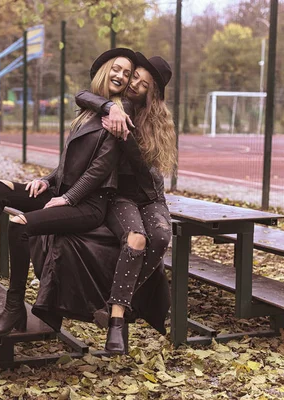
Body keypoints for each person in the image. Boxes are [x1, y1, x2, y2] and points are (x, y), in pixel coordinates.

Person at [0, 48, 137, 338]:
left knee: (20, 225)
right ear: (104, 70)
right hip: (63, 190)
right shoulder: (92, 110)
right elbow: (70, 160)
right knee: (1, 188)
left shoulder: (120, 114)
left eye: (127, 73)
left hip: (88, 204)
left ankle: (13, 308)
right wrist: (47, 179)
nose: (121, 76)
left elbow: (99, 169)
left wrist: (67, 198)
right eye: (117, 68)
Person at [30, 53, 176, 354]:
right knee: (135, 239)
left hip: (149, 196)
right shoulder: (117, 106)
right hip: (119, 196)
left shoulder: (151, 120)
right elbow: (83, 95)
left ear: (153, 93)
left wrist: (125, 137)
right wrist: (110, 106)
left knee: (161, 237)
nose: (134, 83)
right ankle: (117, 320)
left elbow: (144, 173)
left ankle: (115, 302)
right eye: (134, 76)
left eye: (143, 83)